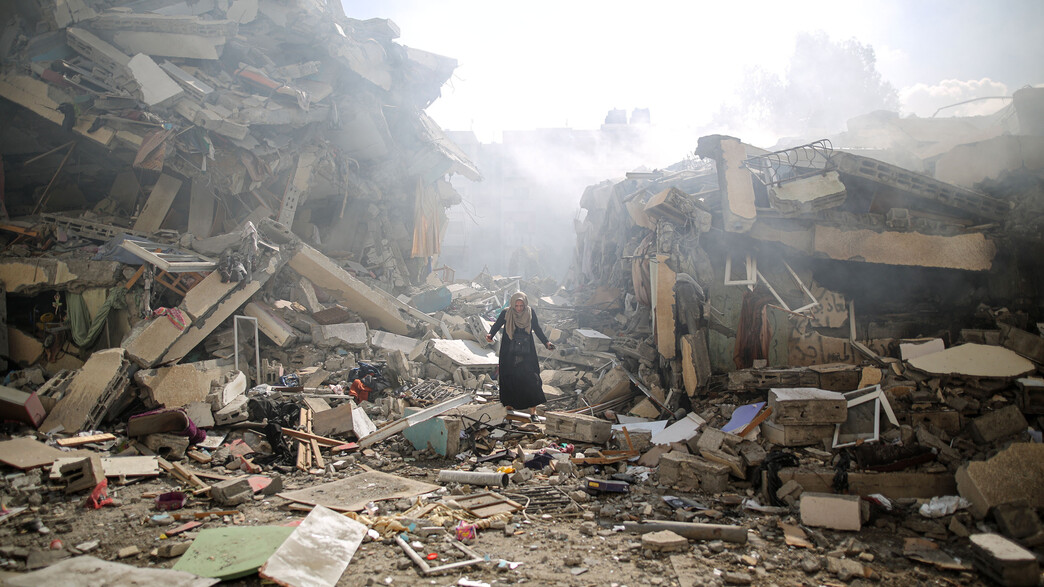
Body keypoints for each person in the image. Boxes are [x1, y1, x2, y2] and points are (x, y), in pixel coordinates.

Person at [486, 292, 554, 414]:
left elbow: (537, 329)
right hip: (509, 351)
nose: (519, 308)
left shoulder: (530, 313)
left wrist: (546, 342)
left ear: (525, 304)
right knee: (509, 378)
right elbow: (497, 325)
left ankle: (533, 411)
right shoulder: (506, 313)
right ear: (512, 304)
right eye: (516, 305)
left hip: (527, 351)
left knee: (531, 378)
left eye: (521, 306)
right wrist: (490, 335)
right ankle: (509, 407)